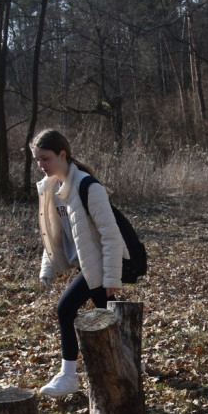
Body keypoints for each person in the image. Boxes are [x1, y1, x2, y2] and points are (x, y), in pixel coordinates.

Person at [31, 129, 128, 397]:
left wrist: (111, 278)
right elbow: (52, 235)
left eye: (45, 158)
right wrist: (47, 269)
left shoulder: (89, 186)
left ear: (63, 154)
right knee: (109, 317)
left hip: (97, 265)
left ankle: (68, 376)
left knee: (65, 309)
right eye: (37, 160)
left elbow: (111, 236)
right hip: (86, 264)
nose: (41, 165)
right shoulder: (51, 189)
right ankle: (130, 362)